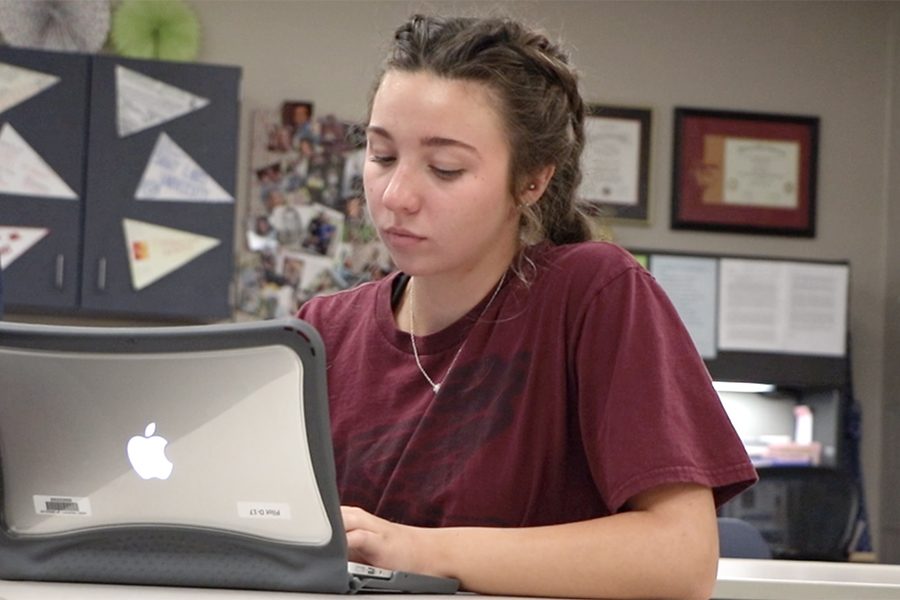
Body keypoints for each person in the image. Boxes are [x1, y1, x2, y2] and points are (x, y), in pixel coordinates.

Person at [298, 14, 757, 600]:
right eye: (382, 155)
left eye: (445, 169)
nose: (395, 197)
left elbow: (681, 559)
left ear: (532, 181)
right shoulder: (321, 331)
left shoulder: (594, 293)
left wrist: (415, 549)